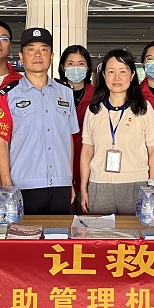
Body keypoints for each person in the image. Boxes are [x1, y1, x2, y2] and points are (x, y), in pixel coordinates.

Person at [0, 27, 78, 308]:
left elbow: (70, 139)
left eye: (43, 49)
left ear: (52, 56)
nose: (37, 55)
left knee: (56, 255)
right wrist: (7, 185)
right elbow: (1, 141)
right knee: (22, 257)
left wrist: (70, 180)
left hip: (59, 185)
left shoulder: (65, 93)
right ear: (21, 56)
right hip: (24, 187)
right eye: (31, 50)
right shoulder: (9, 94)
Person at [79, 49, 154, 308]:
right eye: (111, 71)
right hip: (100, 184)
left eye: (123, 71)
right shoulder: (94, 108)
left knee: (132, 253)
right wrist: (84, 187)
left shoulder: (143, 108)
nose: (117, 77)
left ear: (133, 75)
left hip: (135, 185)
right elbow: (86, 151)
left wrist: (152, 188)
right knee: (103, 252)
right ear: (103, 75)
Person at [57, 44, 94, 211]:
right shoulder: (53, 93)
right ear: (63, 67)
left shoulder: (98, 95)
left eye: (81, 63)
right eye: (70, 64)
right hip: (61, 166)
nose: (76, 68)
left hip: (91, 167)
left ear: (88, 67)